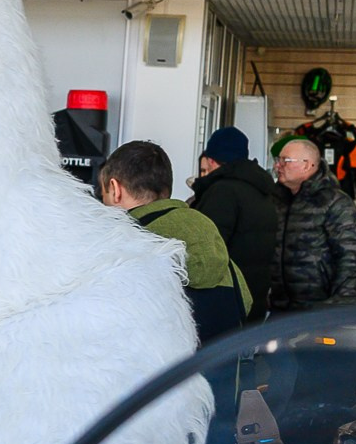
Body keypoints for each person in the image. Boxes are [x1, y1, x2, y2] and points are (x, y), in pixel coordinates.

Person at [97, 139, 249, 339]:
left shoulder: (126, 239)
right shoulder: (203, 226)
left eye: (103, 193)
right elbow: (245, 299)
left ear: (115, 189)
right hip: (220, 361)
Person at [190, 126, 278, 316]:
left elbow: (207, 251)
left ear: (211, 160)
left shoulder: (222, 192)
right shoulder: (261, 190)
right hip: (254, 296)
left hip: (226, 299)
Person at [270, 133, 356, 310]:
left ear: (307, 165)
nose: (277, 166)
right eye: (277, 160)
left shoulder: (335, 202)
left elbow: (349, 258)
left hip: (318, 307)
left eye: (285, 161)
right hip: (278, 306)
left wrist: (340, 305)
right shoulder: (275, 199)